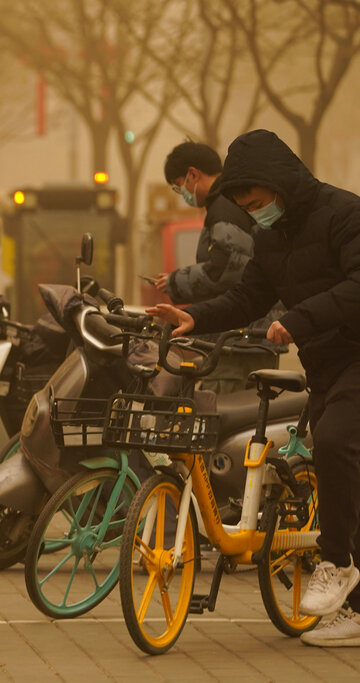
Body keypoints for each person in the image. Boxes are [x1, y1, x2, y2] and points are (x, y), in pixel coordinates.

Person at [146, 129, 360, 648]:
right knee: (339, 466)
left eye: (258, 204)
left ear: (281, 185)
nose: (254, 213)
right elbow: (247, 297)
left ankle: (335, 564)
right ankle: (355, 611)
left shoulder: (344, 214)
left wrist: (301, 320)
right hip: (327, 365)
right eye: (245, 206)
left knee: (334, 441)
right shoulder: (272, 237)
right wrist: (191, 317)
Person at [153, 141, 280, 392]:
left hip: (241, 339)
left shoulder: (224, 206)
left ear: (193, 174)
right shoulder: (229, 201)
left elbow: (226, 269)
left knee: (224, 411)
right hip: (250, 335)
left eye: (180, 186)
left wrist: (175, 281)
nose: (184, 194)